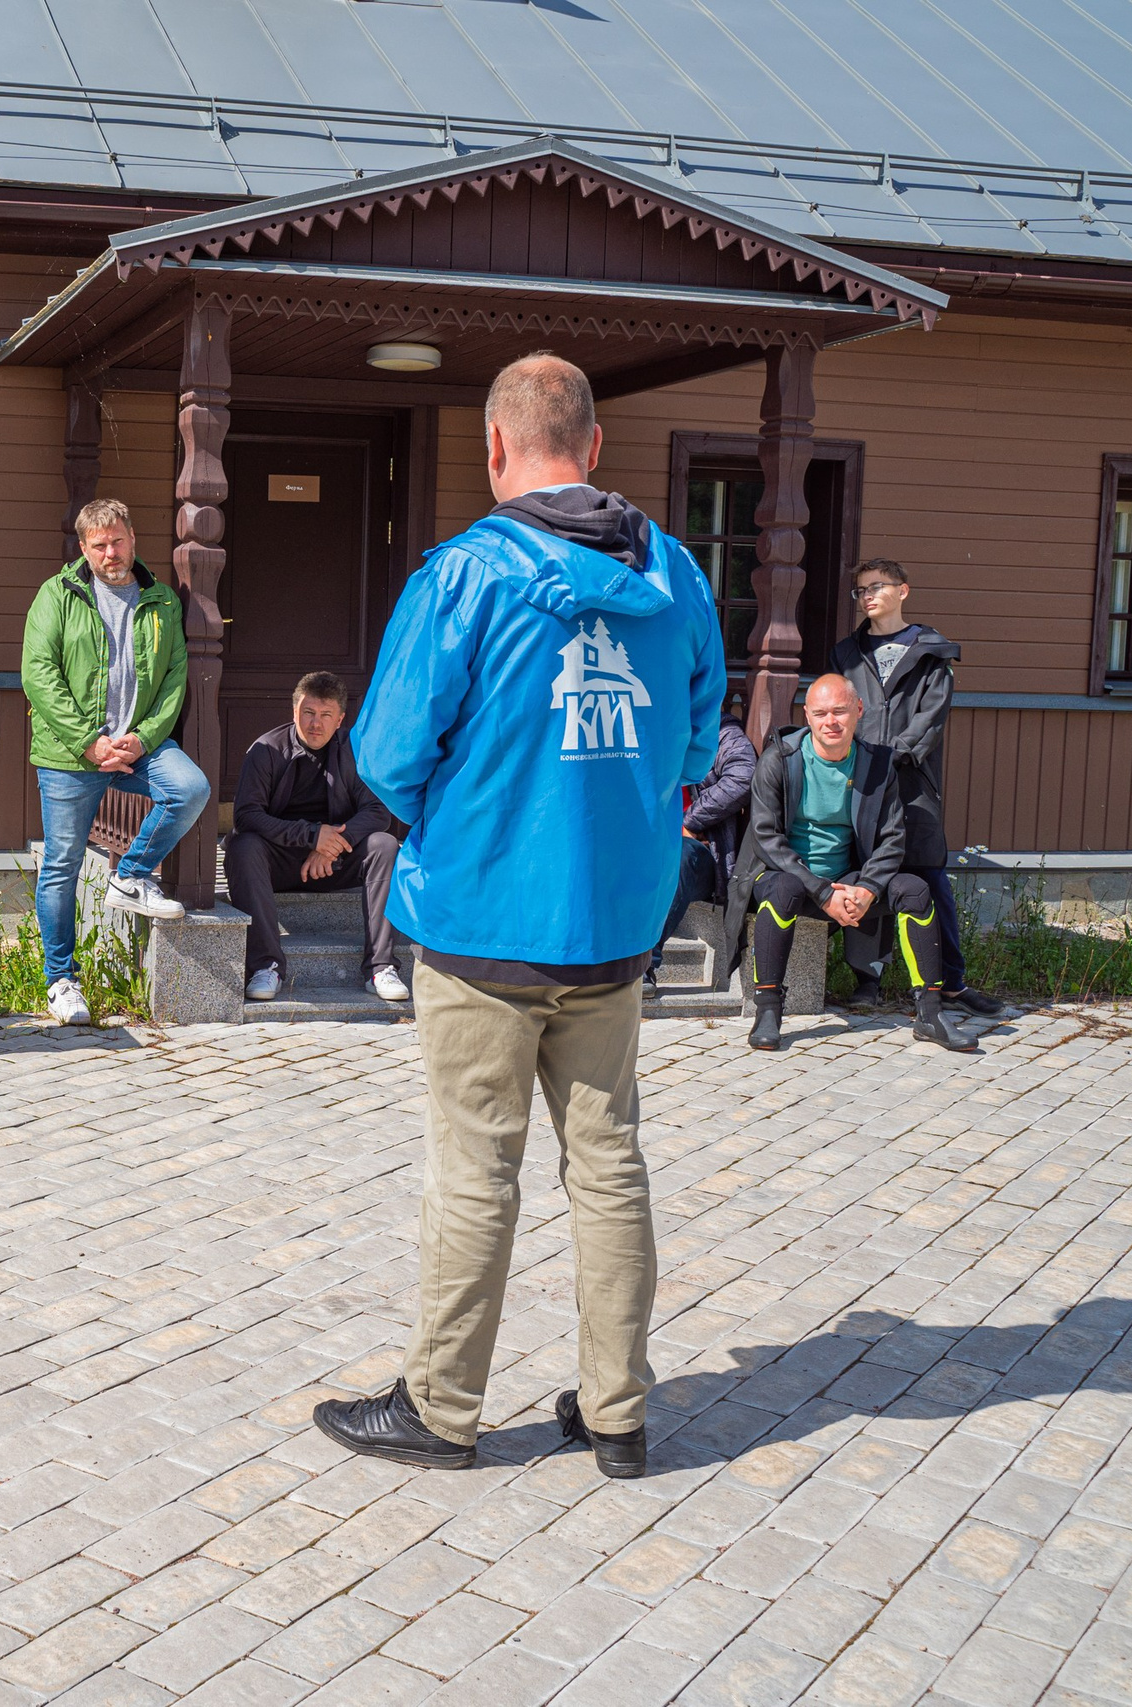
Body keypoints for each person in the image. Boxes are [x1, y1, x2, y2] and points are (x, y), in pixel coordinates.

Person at [320, 352, 723, 1481]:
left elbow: (390, 757)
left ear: (494, 448)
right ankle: (617, 1411)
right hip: (612, 922)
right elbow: (696, 745)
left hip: (483, 916)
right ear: (593, 447)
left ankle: (441, 1411)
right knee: (609, 1163)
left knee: (474, 1171)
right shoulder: (677, 573)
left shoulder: (461, 576)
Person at [715, 673, 978, 1053]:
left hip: (849, 879)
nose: (830, 721)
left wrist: (868, 888)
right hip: (787, 878)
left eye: (840, 711)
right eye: (820, 713)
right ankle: (768, 1009)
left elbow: (892, 839)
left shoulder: (876, 764)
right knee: (784, 889)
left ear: (858, 711)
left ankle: (931, 1014)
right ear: (807, 715)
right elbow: (767, 838)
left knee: (915, 891)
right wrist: (821, 893)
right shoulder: (780, 759)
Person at [22, 497, 210, 1027]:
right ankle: (61, 979)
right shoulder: (56, 595)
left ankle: (130, 874)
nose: (111, 552)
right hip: (70, 753)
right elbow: (39, 674)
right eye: (99, 544)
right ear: (84, 548)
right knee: (62, 865)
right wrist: (89, 742)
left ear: (133, 538)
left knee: (190, 788)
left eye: (118, 540)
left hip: (139, 746)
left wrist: (145, 737)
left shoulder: (162, 600)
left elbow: (175, 675)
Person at [830, 558, 1003, 1016]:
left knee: (928, 878)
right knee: (866, 876)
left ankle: (950, 984)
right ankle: (867, 980)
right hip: (860, 785)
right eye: (861, 590)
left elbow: (931, 720)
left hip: (913, 787)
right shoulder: (847, 653)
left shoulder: (932, 652)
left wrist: (890, 757)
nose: (867, 596)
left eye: (877, 587)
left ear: (903, 591)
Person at [223, 671, 404, 1003]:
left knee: (384, 844)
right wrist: (310, 836)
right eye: (308, 713)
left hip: (336, 863)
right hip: (278, 862)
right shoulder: (265, 750)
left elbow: (378, 812)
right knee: (242, 845)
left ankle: (381, 967)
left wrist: (329, 846)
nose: (315, 724)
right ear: (294, 712)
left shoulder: (356, 750)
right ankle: (266, 966)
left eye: (325, 715)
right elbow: (246, 816)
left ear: (340, 719)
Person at [645, 690, 755, 993]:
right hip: (648, 846)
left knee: (677, 857)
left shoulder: (724, 736)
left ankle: (642, 965)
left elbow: (743, 776)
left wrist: (689, 821)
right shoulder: (650, 731)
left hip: (700, 854)